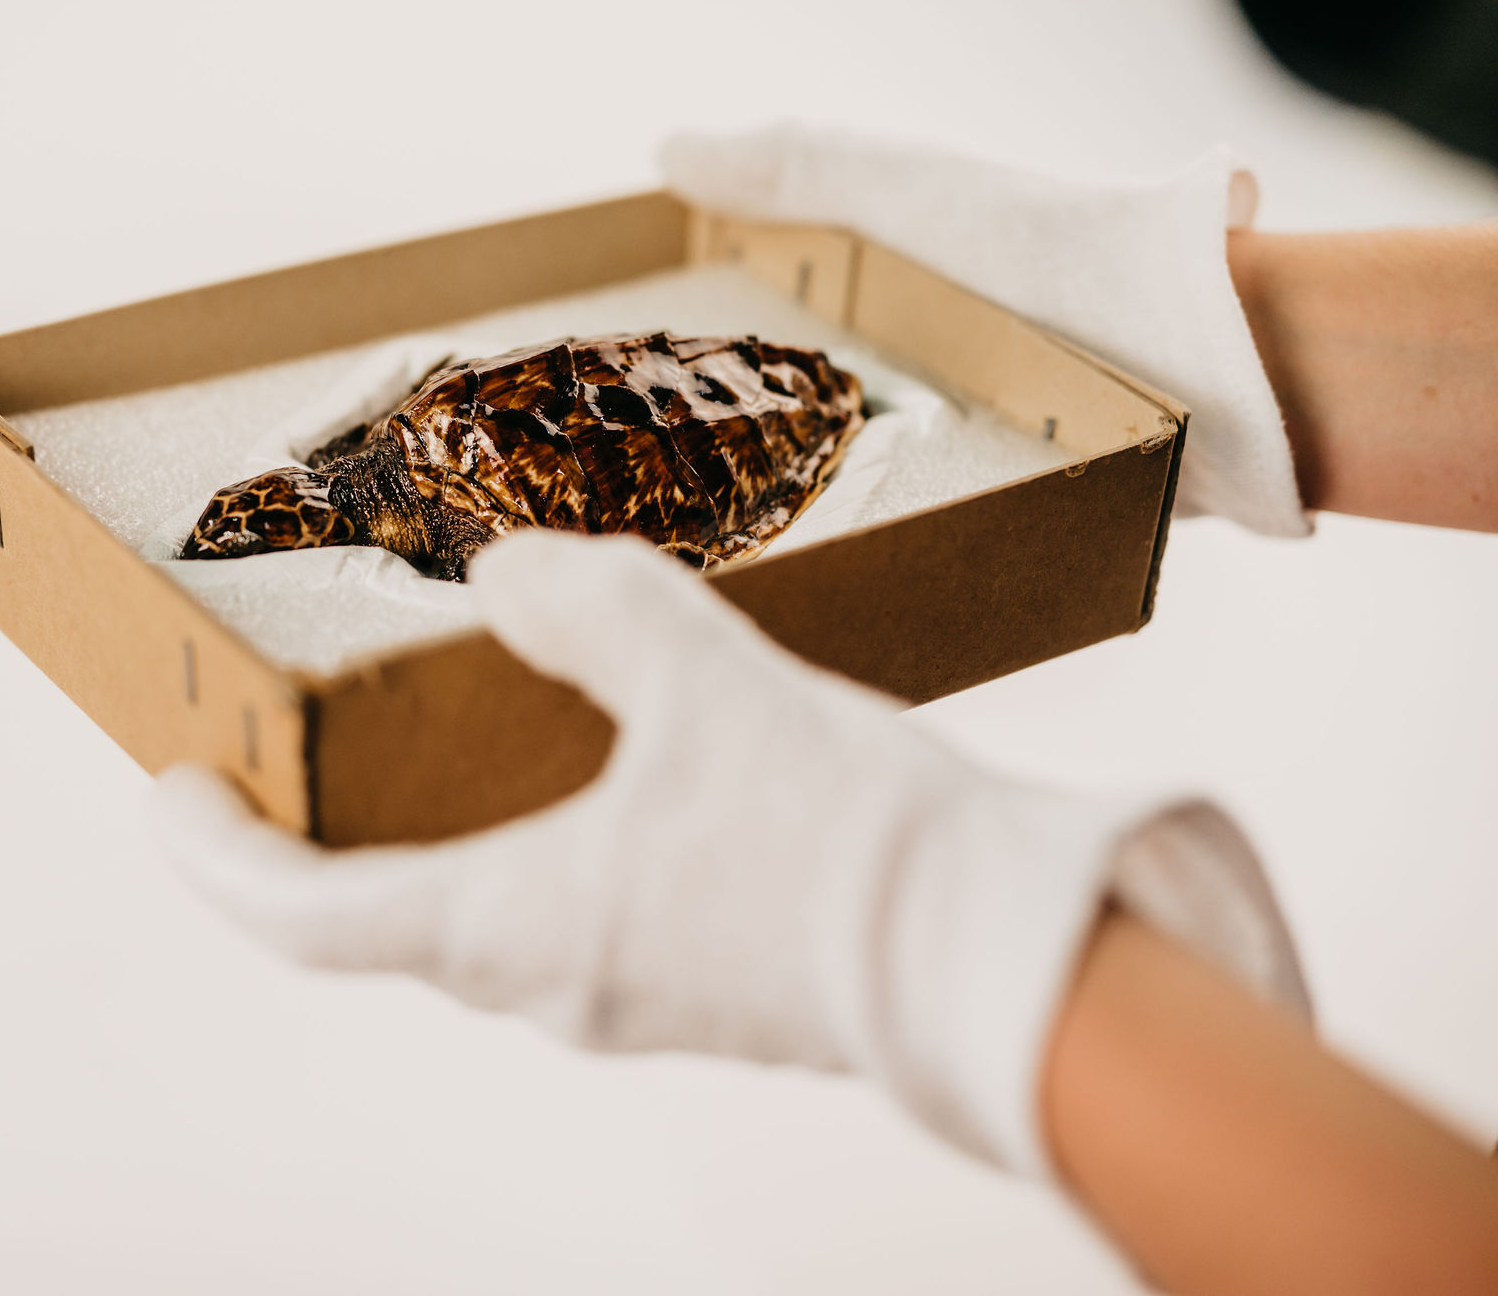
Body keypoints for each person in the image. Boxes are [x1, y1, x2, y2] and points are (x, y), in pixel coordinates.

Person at [153, 129, 1498, 1293]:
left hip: (744, 419)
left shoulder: (445, 502)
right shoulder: (401, 443)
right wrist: (1210, 327)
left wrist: (910, 922)